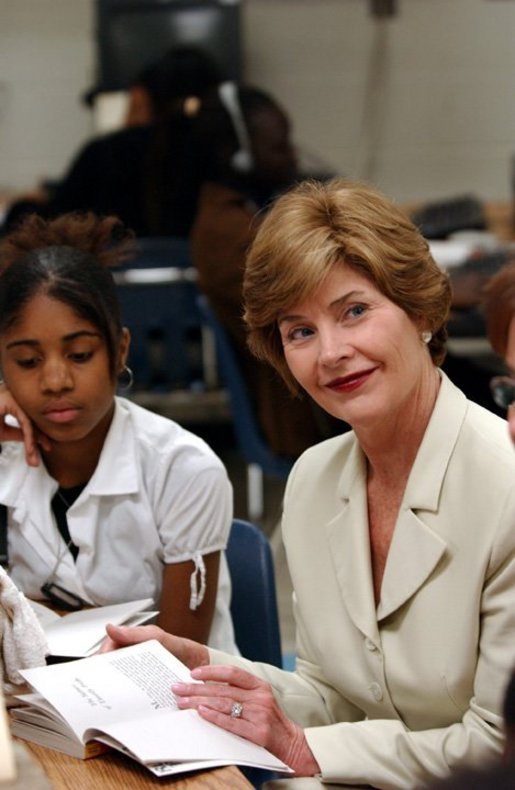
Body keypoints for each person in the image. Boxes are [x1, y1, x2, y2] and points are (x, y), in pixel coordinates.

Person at [101, 178, 515, 788]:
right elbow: (334, 697)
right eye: (300, 331)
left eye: (354, 311)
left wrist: (302, 749)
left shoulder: (504, 482)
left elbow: (496, 744)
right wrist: (202, 671)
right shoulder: (315, 479)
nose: (331, 352)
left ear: (422, 311)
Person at [0, 211, 237, 654]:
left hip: (166, 703)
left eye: (80, 354)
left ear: (119, 349)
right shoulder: (3, 454)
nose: (55, 381)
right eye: (28, 362)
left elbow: (175, 656)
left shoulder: (183, 468)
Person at [190, 84, 343, 458]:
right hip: (306, 411)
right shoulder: (229, 230)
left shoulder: (245, 213)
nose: (292, 156)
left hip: (320, 394)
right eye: (279, 146)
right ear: (237, 155)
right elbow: (319, 298)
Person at [1, 46, 223, 238]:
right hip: (207, 282)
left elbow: (56, 220)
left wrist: (23, 207)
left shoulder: (108, 153)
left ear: (142, 98)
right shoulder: (225, 154)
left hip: (113, 279)